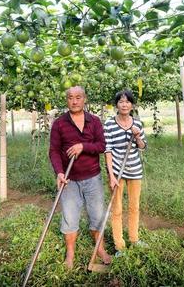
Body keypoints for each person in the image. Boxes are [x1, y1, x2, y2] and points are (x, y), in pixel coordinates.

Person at [48, 85, 112, 269]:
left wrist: (83, 146)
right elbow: (53, 151)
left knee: (97, 215)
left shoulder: (94, 121)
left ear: (84, 99)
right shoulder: (60, 123)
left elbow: (101, 145)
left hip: (93, 177)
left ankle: (99, 249)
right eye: (70, 97)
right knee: (69, 217)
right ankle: (70, 254)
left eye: (78, 97)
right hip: (69, 180)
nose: (74, 101)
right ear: (66, 100)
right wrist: (59, 172)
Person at [104, 89, 147, 254]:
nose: (124, 104)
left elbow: (143, 147)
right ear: (116, 105)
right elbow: (107, 150)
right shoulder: (109, 124)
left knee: (134, 206)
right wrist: (111, 175)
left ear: (132, 105)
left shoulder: (137, 123)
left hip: (134, 170)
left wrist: (137, 137)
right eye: (121, 102)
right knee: (117, 209)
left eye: (127, 101)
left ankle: (134, 239)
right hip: (117, 172)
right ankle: (119, 245)